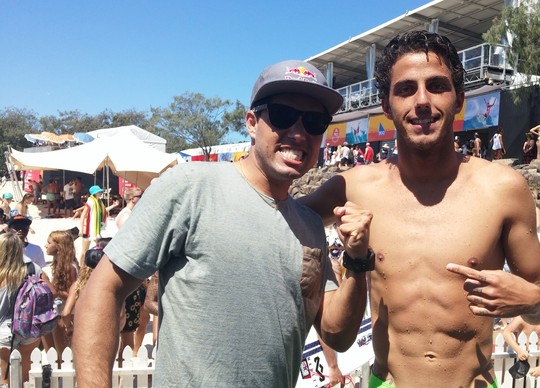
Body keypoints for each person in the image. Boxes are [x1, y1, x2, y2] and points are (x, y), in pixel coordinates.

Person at [73, 59, 370, 387]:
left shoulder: (311, 225)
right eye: (284, 115)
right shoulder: (191, 185)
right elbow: (103, 288)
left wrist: (357, 261)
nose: (299, 132)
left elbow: (337, 334)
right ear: (251, 123)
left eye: (314, 122)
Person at [300, 31, 540, 387]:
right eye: (406, 89)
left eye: (436, 86)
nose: (422, 100)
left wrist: (531, 296)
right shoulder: (353, 187)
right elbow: (279, 217)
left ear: (460, 99)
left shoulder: (503, 189)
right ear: (387, 106)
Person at [0, 232, 43, 385]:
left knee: (4, 379)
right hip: (29, 326)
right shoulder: (34, 268)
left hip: (3, 329)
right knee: (24, 379)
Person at [42, 230, 78, 366]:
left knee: (63, 355)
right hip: (58, 311)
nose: (46, 245)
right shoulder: (60, 264)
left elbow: (72, 294)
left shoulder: (69, 267)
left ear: (59, 246)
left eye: (49, 242)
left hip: (66, 314)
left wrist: (50, 286)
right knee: (54, 354)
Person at [79, 185, 119, 266]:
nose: (101, 193)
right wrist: (81, 229)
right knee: (84, 251)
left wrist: (113, 206)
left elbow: (104, 211)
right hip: (88, 229)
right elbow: (83, 215)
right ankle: (81, 267)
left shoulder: (99, 202)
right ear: (95, 193)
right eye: (99, 192)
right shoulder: (90, 202)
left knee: (101, 246)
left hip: (95, 230)